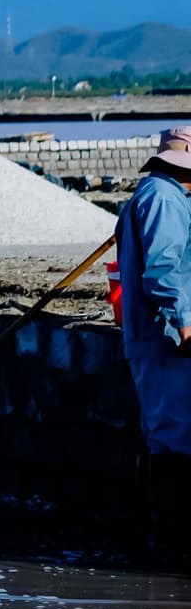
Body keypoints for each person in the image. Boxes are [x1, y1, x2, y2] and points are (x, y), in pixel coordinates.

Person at [121, 127, 191, 535]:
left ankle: (159, 533)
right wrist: (185, 326)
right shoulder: (165, 200)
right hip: (164, 338)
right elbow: (163, 272)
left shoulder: (149, 195)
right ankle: (170, 536)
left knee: (162, 435)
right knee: (176, 438)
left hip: (148, 337)